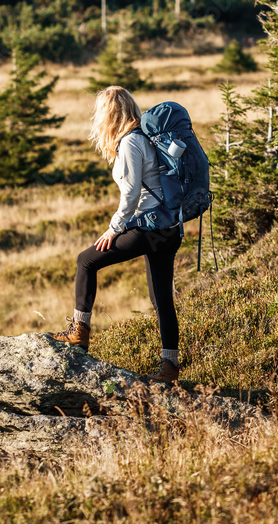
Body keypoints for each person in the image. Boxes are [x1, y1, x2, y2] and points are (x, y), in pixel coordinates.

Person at [51, 85, 182, 383]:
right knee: (161, 297)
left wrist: (114, 229)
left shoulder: (131, 143)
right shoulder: (142, 137)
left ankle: (79, 332)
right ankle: (170, 366)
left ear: (108, 115)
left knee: (86, 261)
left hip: (149, 226)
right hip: (169, 227)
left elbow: (132, 194)